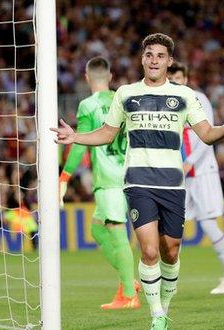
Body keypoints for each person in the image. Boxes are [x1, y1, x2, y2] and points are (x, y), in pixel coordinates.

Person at [51, 33, 224, 330]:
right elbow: (106, 133)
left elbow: (207, 135)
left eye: (160, 55)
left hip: (172, 184)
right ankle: (156, 316)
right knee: (150, 249)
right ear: (142, 59)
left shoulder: (183, 95)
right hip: (137, 183)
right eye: (149, 55)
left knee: (171, 251)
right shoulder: (126, 94)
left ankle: (165, 308)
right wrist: (75, 137)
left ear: (169, 61)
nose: (154, 60)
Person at [59, 57, 140, 310]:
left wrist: (64, 177)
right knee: (96, 229)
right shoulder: (124, 100)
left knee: (117, 234)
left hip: (109, 181)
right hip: (130, 175)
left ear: (86, 77)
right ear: (111, 76)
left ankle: (129, 293)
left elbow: (78, 142)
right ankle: (129, 282)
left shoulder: (88, 105)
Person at [167, 62, 224, 294]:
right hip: (179, 174)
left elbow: (207, 135)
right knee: (173, 228)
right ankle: (169, 282)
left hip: (201, 172)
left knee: (208, 223)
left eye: (179, 78)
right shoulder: (167, 104)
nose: (176, 82)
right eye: (172, 79)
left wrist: (189, 162)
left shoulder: (198, 98)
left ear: (186, 78)